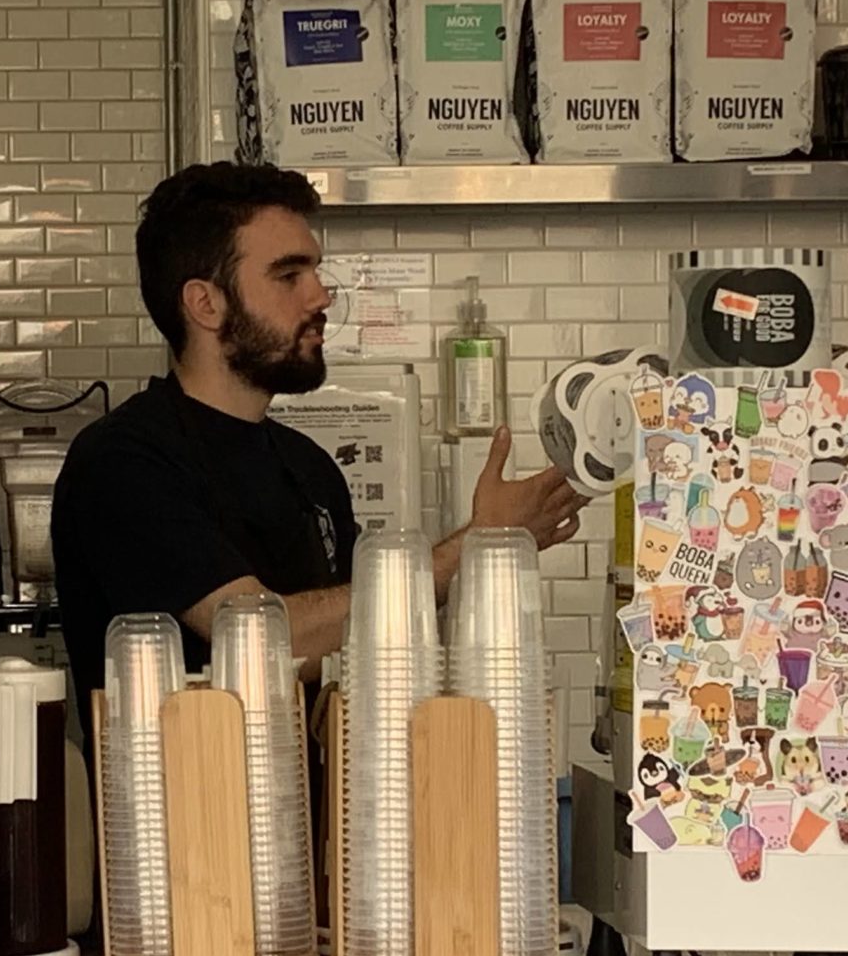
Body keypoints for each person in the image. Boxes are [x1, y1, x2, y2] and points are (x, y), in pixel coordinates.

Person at [49, 161, 586, 724]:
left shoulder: (309, 468)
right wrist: (477, 545)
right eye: (288, 275)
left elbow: (354, 647)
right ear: (205, 304)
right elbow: (259, 641)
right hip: (187, 783)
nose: (321, 296)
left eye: (315, 271)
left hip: (319, 784)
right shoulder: (124, 463)